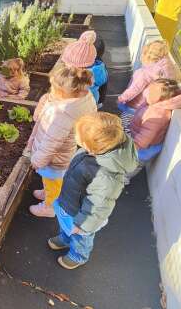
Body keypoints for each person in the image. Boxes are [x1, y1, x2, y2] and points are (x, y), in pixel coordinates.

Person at [49, 112, 138, 269]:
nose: (79, 144)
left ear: (93, 147)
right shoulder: (98, 150)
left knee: (81, 237)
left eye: (81, 142)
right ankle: (65, 238)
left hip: (83, 215)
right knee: (67, 225)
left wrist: (83, 225)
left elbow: (98, 205)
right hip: (71, 203)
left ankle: (78, 255)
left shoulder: (105, 175)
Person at [24, 65, 97, 218]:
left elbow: (51, 142)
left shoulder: (63, 114)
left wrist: (37, 159)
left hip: (54, 158)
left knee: (53, 181)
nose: (51, 90)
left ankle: (50, 207)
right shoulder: (83, 97)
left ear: (65, 92)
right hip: (62, 153)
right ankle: (47, 192)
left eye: (54, 88)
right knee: (51, 181)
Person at [118, 40, 177, 132]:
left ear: (146, 55)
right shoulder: (168, 69)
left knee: (124, 126)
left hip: (136, 105)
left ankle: (126, 142)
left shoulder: (145, 72)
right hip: (151, 108)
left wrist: (121, 98)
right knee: (139, 128)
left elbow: (135, 89)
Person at [130, 79, 181, 165]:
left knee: (133, 165)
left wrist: (134, 146)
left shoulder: (157, 115)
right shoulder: (152, 104)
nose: (147, 92)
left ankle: (125, 176)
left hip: (143, 147)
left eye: (151, 92)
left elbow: (146, 135)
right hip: (138, 138)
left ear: (161, 99)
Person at [60, 30, 108, 105]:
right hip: (94, 100)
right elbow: (104, 87)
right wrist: (100, 101)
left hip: (80, 104)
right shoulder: (100, 68)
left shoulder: (79, 76)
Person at [94, 36, 107, 108]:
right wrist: (101, 100)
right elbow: (104, 85)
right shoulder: (101, 66)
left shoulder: (81, 65)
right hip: (96, 100)